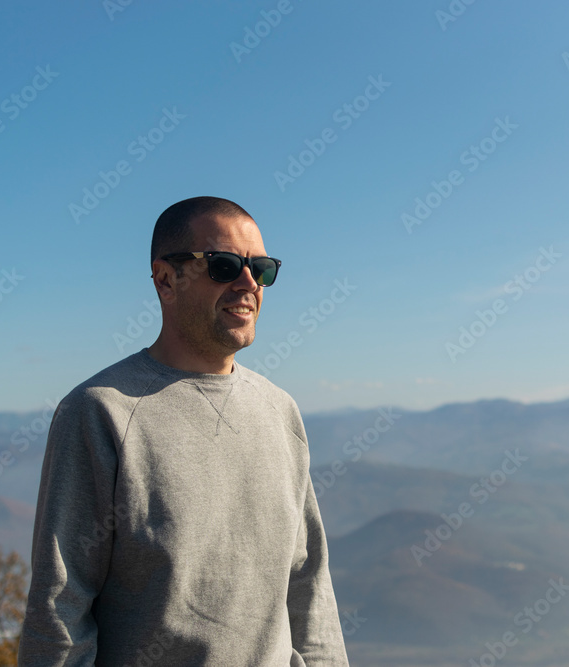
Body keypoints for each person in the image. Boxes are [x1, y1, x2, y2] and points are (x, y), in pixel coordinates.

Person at [19, 197, 350, 666]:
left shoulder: (280, 411)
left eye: (262, 269)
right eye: (223, 265)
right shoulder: (100, 412)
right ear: (166, 279)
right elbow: (60, 611)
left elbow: (309, 586)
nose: (248, 283)